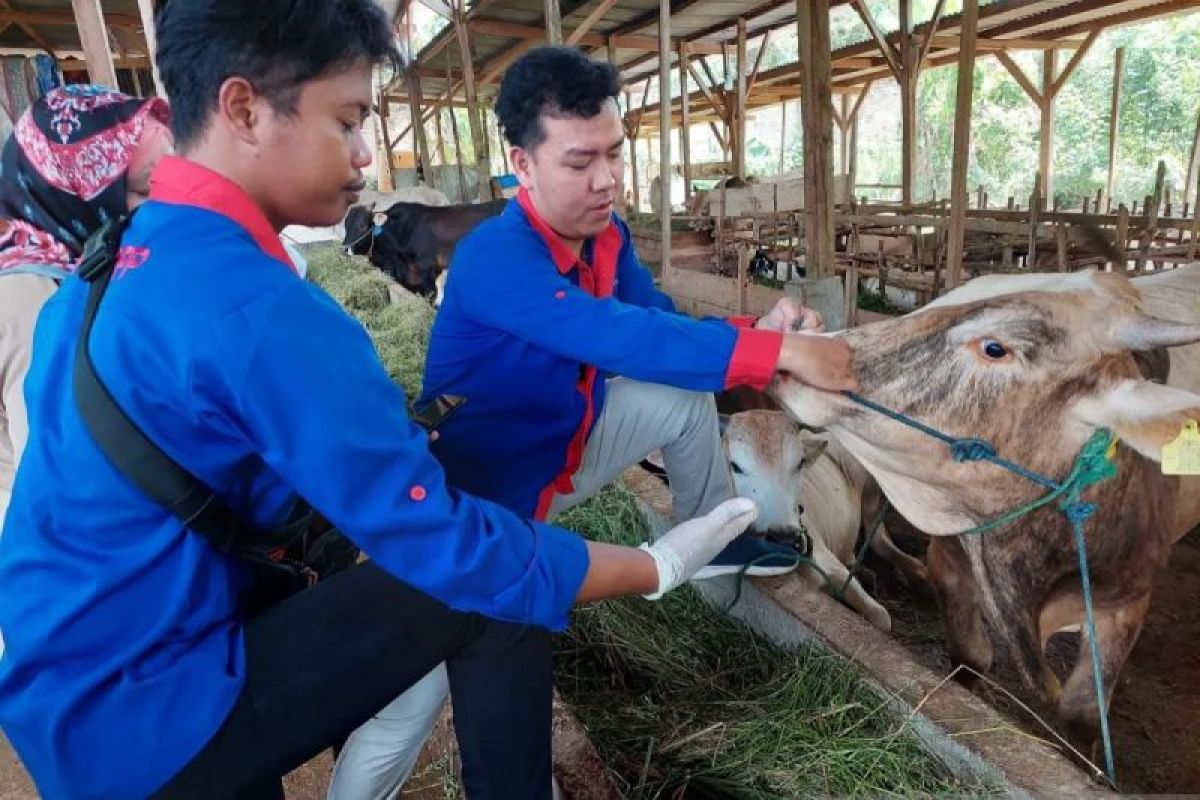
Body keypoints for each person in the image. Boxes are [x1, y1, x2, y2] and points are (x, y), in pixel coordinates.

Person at [0, 3, 770, 799]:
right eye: (349, 120)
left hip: (74, 680)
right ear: (243, 109)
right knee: (496, 593)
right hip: (153, 716)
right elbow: (448, 546)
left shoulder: (103, 268)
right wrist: (654, 564)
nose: (366, 154)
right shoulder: (265, 312)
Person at [328, 46, 858, 799]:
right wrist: (777, 350)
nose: (607, 179)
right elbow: (618, 339)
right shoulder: (493, 260)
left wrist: (758, 327)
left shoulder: (607, 239)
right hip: (478, 508)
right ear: (522, 163)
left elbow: (658, 322)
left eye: (614, 153)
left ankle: (713, 540)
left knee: (678, 399)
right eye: (581, 161)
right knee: (405, 712)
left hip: (564, 451)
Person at [0, 85, 172, 528]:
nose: (166, 210)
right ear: (77, 192)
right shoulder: (32, 295)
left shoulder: (71, 263)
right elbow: (58, 478)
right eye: (144, 191)